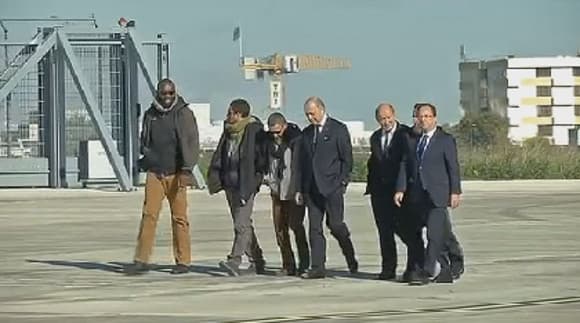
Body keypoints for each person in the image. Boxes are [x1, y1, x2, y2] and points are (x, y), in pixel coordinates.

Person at [126, 78, 199, 275]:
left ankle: (183, 261)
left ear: (175, 93)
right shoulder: (151, 114)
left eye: (170, 93)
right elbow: (145, 139)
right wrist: (145, 157)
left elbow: (192, 142)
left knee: (180, 218)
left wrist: (187, 169)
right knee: (149, 215)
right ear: (158, 94)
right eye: (164, 94)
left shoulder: (184, 114)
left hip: (177, 173)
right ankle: (141, 259)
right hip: (155, 173)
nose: (167, 97)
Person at [394, 103, 464, 285]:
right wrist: (400, 189)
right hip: (418, 196)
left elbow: (453, 167)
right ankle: (449, 266)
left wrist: (455, 191)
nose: (423, 120)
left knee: (434, 235)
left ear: (434, 118)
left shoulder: (445, 140)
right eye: (420, 117)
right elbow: (405, 165)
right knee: (438, 234)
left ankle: (427, 270)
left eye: (427, 116)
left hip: (438, 195)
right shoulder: (414, 141)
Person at [297, 96, 358, 279]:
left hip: (332, 187)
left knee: (335, 225)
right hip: (312, 189)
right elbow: (302, 163)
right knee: (315, 228)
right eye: (307, 114)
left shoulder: (338, 129)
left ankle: (349, 254)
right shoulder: (307, 133)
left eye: (312, 113)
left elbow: (346, 158)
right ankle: (317, 267)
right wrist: (301, 189)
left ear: (322, 109)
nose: (310, 117)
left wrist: (342, 181)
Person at [207, 98, 267, 276]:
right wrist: (216, 178)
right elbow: (220, 155)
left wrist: (255, 181)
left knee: (241, 225)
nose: (228, 116)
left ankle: (234, 260)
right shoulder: (228, 132)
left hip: (245, 185)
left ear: (239, 114)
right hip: (230, 185)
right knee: (244, 225)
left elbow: (260, 159)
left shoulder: (254, 131)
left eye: (230, 113)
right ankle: (257, 261)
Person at [365, 103, 423, 281]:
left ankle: (415, 266)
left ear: (394, 115)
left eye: (388, 117)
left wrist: (404, 187)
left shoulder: (405, 134)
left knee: (407, 230)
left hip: (401, 191)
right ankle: (388, 268)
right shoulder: (375, 137)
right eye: (382, 119)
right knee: (384, 232)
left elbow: (408, 162)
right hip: (379, 193)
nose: (386, 121)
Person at [264, 112, 310, 276]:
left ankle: (305, 263)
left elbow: (299, 167)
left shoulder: (296, 140)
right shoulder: (268, 143)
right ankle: (288, 264)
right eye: (272, 132)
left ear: (284, 126)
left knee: (296, 226)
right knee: (280, 229)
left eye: (278, 131)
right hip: (277, 191)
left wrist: (300, 189)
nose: (276, 135)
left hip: (293, 190)